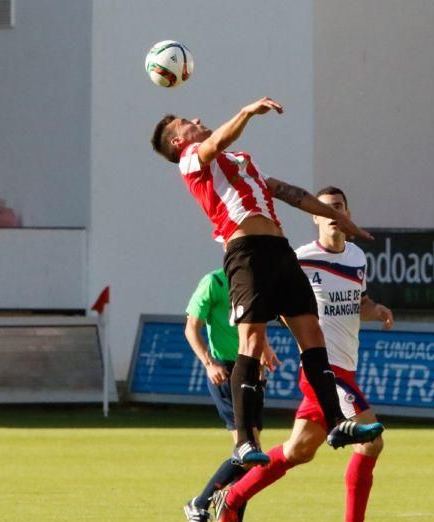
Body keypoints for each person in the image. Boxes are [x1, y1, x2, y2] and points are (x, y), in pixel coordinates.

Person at [151, 97, 383, 467]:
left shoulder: (241, 162)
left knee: (312, 334)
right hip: (246, 251)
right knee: (253, 339)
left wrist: (344, 221)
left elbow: (294, 194)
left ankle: (338, 423)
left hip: (279, 250)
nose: (196, 119)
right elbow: (214, 144)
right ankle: (243, 441)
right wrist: (246, 112)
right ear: (178, 142)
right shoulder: (191, 160)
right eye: (185, 122)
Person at [212, 187, 392, 522]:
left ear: (347, 213)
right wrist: (259, 343)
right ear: (314, 217)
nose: (331, 213)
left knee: (297, 452)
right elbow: (274, 301)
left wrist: (376, 310)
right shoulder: (300, 259)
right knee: (371, 442)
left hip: (346, 368)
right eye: (324, 209)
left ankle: (232, 497)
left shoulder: (357, 257)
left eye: (338, 207)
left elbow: (357, 302)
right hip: (324, 370)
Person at [182, 268, 271, 522]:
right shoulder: (213, 282)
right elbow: (191, 327)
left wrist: (264, 350)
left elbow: (255, 325)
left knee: (251, 456)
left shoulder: (255, 281)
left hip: (251, 369)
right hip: (227, 372)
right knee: (248, 452)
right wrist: (209, 363)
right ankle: (200, 502)